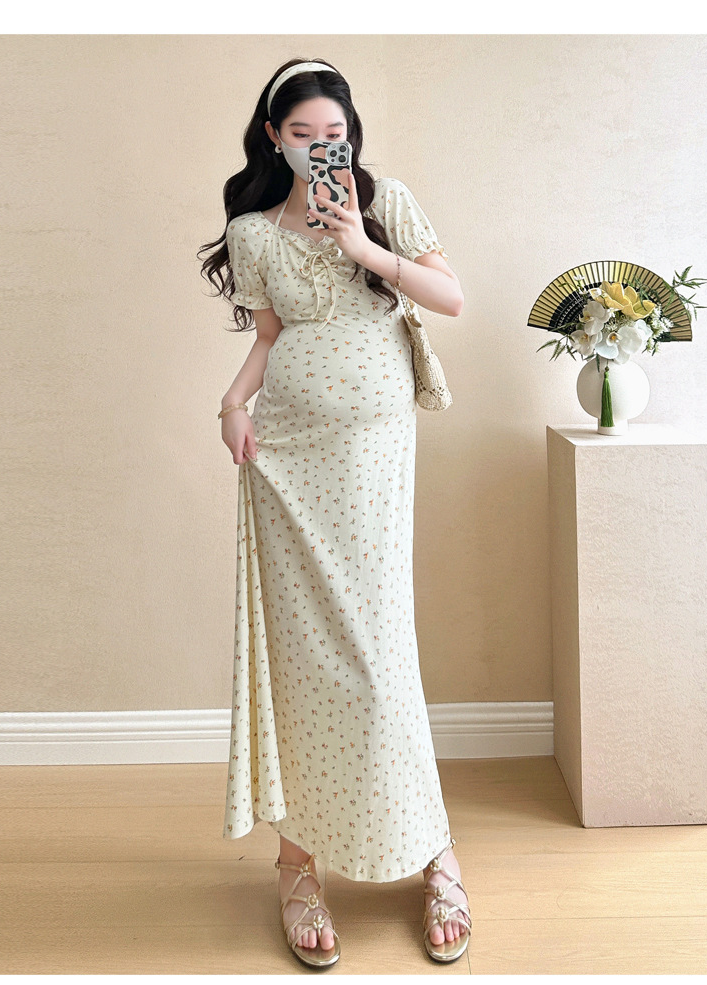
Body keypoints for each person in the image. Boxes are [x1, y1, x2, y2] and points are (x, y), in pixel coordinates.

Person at [198, 57, 471, 968]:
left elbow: (450, 297)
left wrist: (363, 245)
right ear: (273, 137)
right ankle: (298, 863)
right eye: (304, 134)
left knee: (378, 650)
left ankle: (433, 850)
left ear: (351, 137)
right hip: (286, 453)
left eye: (335, 135)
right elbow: (270, 338)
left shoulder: (385, 202)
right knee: (302, 654)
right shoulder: (252, 231)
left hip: (373, 450)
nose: (322, 147)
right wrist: (232, 403)